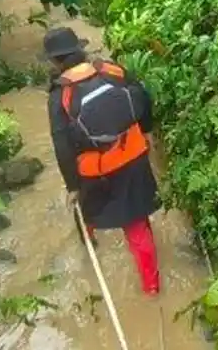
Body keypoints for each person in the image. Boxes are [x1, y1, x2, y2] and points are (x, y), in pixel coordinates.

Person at [44, 27, 161, 296]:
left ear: (55, 61)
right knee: (137, 226)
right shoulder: (111, 70)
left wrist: (72, 186)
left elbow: (62, 145)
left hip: (96, 173)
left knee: (85, 212)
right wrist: (147, 132)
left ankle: (89, 244)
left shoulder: (59, 95)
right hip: (133, 158)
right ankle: (152, 289)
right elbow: (142, 97)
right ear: (80, 49)